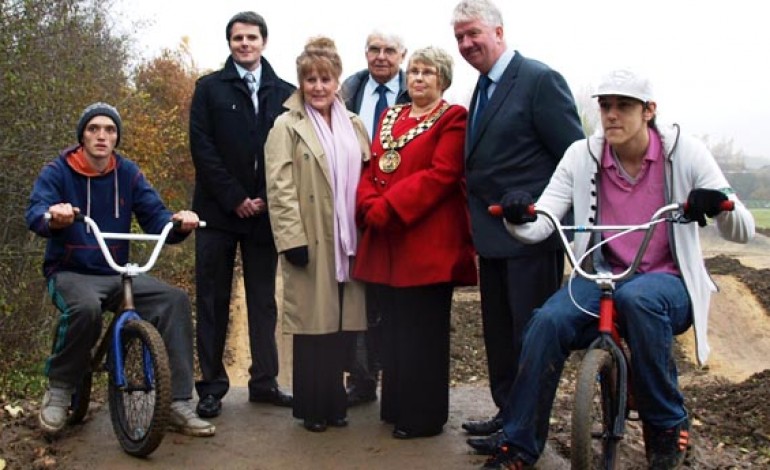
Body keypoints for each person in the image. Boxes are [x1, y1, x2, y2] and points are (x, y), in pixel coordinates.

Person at [482, 69, 755, 469]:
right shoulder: (581, 155)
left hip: (668, 283)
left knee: (638, 298)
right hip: (599, 279)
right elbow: (541, 221)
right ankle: (519, 444)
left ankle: (665, 423)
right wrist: (517, 213)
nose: (611, 115)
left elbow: (743, 228)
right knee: (545, 323)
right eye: (605, 106)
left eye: (623, 106)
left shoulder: (686, 153)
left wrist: (715, 205)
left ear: (649, 111)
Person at [26, 102, 215, 437]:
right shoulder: (57, 171)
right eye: (94, 129)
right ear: (82, 135)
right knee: (84, 309)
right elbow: (36, 213)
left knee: (174, 300)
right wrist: (53, 215)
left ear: (116, 137)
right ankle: (59, 389)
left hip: (117, 272)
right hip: (71, 272)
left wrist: (178, 223)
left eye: (109, 130)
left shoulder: (127, 173)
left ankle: (177, 402)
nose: (102, 136)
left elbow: (156, 218)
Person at [451, 0, 585, 449]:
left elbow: (576, 159)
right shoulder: (483, 87)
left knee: (530, 341)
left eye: (474, 34)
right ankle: (508, 414)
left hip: (531, 238)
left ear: (499, 32)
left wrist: (537, 203)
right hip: (492, 239)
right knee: (501, 339)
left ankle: (525, 431)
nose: (467, 44)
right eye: (460, 38)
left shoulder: (539, 81)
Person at [354, 46, 477, 439]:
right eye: (414, 72)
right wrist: (368, 202)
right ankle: (395, 405)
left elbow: (442, 175)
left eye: (427, 72)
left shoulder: (453, 118)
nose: (418, 79)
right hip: (387, 239)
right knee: (392, 329)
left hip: (427, 243)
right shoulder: (392, 116)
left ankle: (423, 416)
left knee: (422, 331)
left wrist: (389, 206)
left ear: (442, 79)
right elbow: (372, 168)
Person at [189, 11, 295, 418]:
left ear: (264, 41)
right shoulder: (209, 89)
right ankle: (212, 387)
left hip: (264, 214)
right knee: (213, 300)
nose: (245, 44)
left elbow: (287, 155)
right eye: (238, 38)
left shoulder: (284, 92)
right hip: (216, 213)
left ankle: (265, 381)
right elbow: (203, 149)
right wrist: (235, 198)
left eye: (252, 37)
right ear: (229, 43)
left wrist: (264, 197)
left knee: (263, 300)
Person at [264, 37, 369, 433]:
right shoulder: (286, 126)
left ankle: (336, 401)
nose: (319, 87)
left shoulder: (355, 124)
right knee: (313, 327)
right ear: (301, 83)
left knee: (343, 326)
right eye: (311, 80)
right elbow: (279, 185)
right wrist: (291, 239)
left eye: (326, 79)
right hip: (310, 238)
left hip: (349, 240)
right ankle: (312, 407)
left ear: (338, 81)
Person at [339, 30, 410, 407]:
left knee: (396, 297)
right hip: (356, 208)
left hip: (401, 210)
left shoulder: (416, 90)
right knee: (360, 295)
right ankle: (362, 381)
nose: (381, 56)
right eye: (374, 49)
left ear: (403, 55)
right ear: (365, 53)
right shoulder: (347, 91)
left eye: (389, 50)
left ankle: (398, 382)